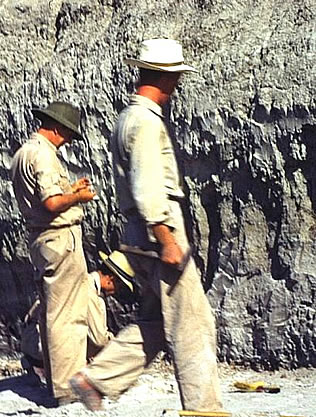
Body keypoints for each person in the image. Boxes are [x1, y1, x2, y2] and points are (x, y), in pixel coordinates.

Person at [69, 38, 224, 412]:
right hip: (159, 234)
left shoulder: (126, 118)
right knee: (192, 325)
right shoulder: (147, 122)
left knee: (155, 322)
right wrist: (167, 238)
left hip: (136, 237)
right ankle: (204, 409)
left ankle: (96, 379)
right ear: (167, 78)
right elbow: (148, 185)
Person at [10, 101, 97, 405]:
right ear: (58, 128)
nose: (69, 141)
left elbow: (39, 199)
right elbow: (50, 203)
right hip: (60, 238)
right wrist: (78, 196)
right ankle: (67, 389)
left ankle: (55, 381)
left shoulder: (23, 153)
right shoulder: (45, 155)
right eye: (68, 135)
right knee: (68, 315)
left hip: (41, 240)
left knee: (52, 312)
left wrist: (69, 190)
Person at [20, 250, 135, 385]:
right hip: (46, 347)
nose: (116, 292)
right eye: (119, 286)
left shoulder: (73, 280)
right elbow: (99, 340)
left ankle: (38, 363)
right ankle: (49, 368)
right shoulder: (89, 293)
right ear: (111, 279)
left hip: (31, 342)